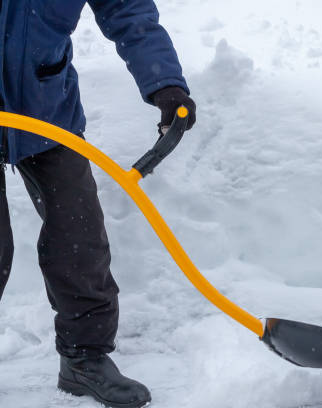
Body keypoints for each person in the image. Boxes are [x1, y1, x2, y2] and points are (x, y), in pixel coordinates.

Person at [0, 1, 196, 407]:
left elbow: (128, 10)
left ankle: (83, 358)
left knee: (79, 236)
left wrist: (166, 85)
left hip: (45, 106)